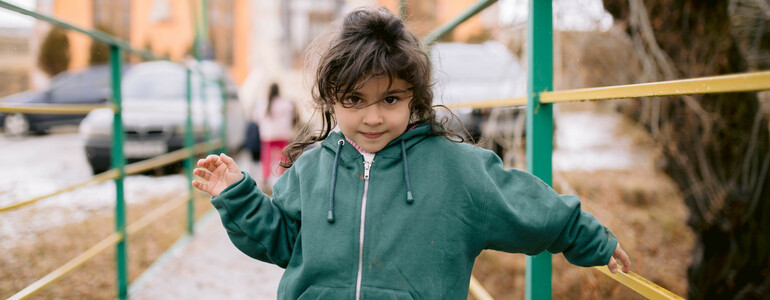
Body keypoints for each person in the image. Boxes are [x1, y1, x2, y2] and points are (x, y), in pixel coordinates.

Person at [192, 6, 631, 299]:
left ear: (414, 98)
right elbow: (284, 241)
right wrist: (238, 196)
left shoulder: (458, 170)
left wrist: (592, 240)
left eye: (390, 100)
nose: (372, 118)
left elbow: (528, 208)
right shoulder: (311, 169)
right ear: (331, 100)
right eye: (354, 100)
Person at [253, 82, 296, 186]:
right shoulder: (286, 103)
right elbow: (293, 115)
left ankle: (265, 177)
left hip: (267, 135)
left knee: (266, 158)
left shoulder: (262, 103)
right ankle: (284, 176)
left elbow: (256, 118)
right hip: (282, 134)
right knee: (283, 157)